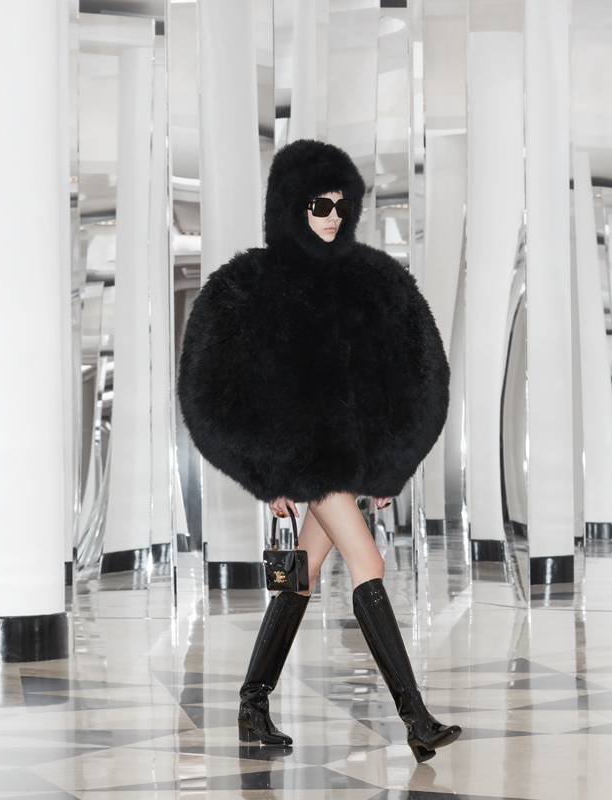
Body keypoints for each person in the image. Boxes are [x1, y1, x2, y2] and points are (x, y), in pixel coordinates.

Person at [177, 139, 460, 763]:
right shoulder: (250, 284)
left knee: (299, 579)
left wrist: (391, 465)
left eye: (341, 203)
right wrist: (264, 471)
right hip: (308, 464)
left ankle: (252, 704)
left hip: (345, 464)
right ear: (290, 205)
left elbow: (420, 373)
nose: (332, 216)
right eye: (318, 204)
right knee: (369, 562)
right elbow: (208, 389)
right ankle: (415, 719)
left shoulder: (372, 279)